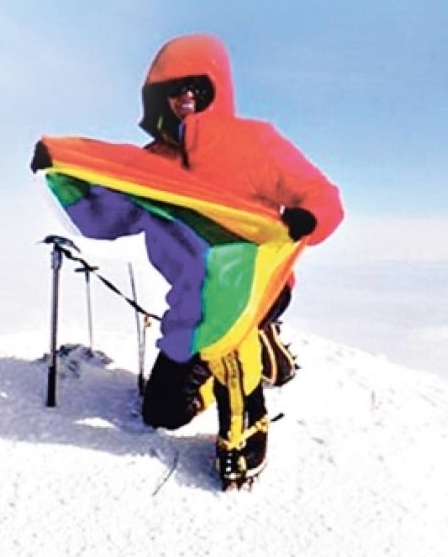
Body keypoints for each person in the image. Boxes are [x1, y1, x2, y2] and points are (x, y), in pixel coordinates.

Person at [32, 34, 343, 489]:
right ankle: (263, 350)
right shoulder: (151, 167)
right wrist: (65, 170)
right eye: (174, 90)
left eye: (197, 87)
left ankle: (245, 428)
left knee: (230, 334)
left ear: (217, 88)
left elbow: (321, 194)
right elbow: (108, 214)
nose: (186, 98)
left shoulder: (255, 141)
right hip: (191, 304)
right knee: (163, 413)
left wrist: (309, 217)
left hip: (258, 287)